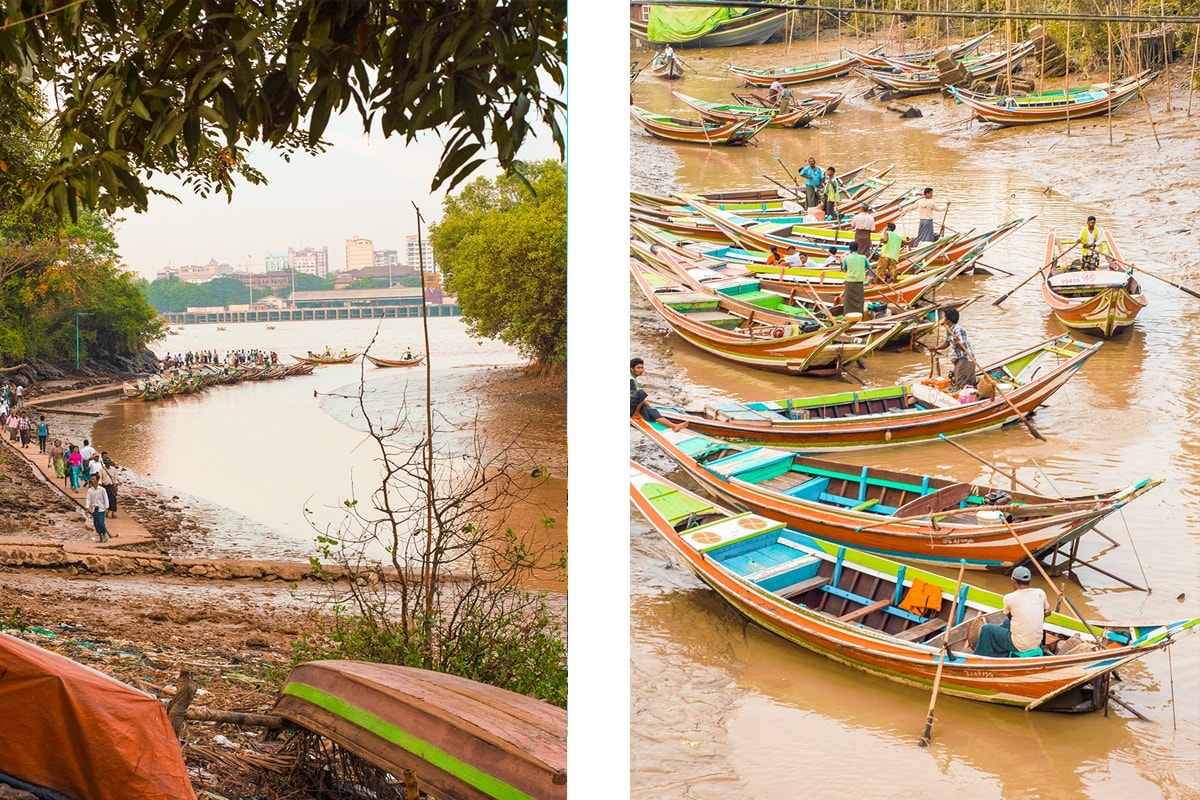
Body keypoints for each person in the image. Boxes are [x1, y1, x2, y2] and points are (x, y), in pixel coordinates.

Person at [971, 566, 1050, 658]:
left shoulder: (1009, 598)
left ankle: (979, 657)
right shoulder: (1040, 593)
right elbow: (1047, 611)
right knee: (1006, 623)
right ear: (1029, 581)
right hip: (1037, 642)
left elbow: (1011, 617)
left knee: (987, 629)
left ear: (1015, 582)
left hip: (1020, 645)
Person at [630, 358, 688, 433]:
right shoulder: (630, 380)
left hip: (632, 404)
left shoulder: (632, 379)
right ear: (632, 369)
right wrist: (641, 408)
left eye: (642, 368)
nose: (641, 370)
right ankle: (636, 414)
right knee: (641, 393)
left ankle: (674, 426)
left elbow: (636, 398)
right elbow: (634, 396)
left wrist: (647, 406)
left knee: (652, 411)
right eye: (638, 368)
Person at [931, 307, 976, 389]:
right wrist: (936, 348)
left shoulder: (958, 330)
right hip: (958, 358)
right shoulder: (949, 329)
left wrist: (957, 342)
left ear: (948, 319)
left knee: (961, 381)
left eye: (944, 317)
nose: (943, 319)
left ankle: (968, 394)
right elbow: (947, 343)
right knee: (958, 378)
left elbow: (964, 348)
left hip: (966, 358)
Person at [840, 241, 868, 316]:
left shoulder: (846, 258)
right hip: (859, 281)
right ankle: (859, 315)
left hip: (850, 282)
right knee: (859, 300)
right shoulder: (863, 257)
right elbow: (869, 266)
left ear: (850, 249)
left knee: (848, 301)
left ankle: (848, 315)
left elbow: (844, 269)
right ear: (857, 248)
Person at [86, 474, 111, 543]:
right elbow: (88, 499)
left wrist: (106, 507)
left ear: (97, 480)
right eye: (91, 479)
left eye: (93, 479)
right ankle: (100, 537)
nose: (92, 480)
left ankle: (105, 534)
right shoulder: (90, 490)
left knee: (101, 522)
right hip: (94, 508)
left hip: (101, 508)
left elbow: (106, 499)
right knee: (96, 523)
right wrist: (87, 507)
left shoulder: (102, 490)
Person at [99, 452, 119, 518]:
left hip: (111, 486)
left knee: (113, 499)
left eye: (108, 463)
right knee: (105, 499)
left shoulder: (114, 470)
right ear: (104, 463)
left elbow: (115, 478)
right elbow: (100, 478)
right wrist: (100, 484)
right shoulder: (101, 470)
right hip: (105, 486)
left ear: (110, 463)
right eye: (106, 463)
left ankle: (113, 512)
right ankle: (106, 512)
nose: (107, 464)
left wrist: (116, 485)